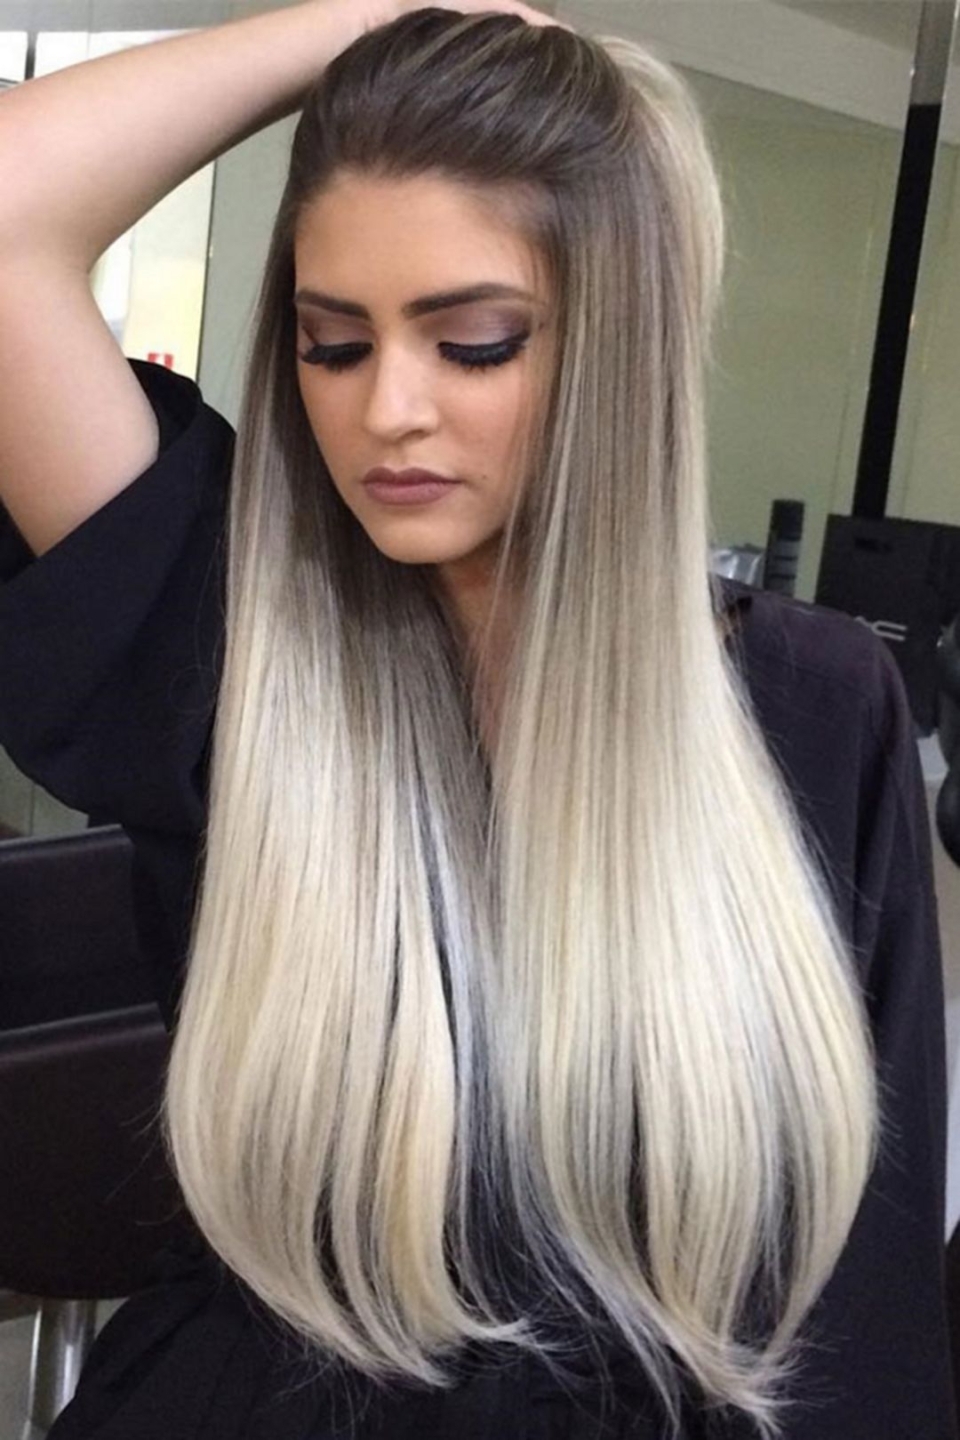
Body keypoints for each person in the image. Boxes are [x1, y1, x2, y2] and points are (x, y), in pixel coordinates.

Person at [0, 4, 955, 1437]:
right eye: (333, 345)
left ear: (617, 341)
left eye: (475, 344)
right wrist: (374, 23)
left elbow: (861, 1284)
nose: (389, 409)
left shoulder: (812, 702)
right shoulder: (236, 640)